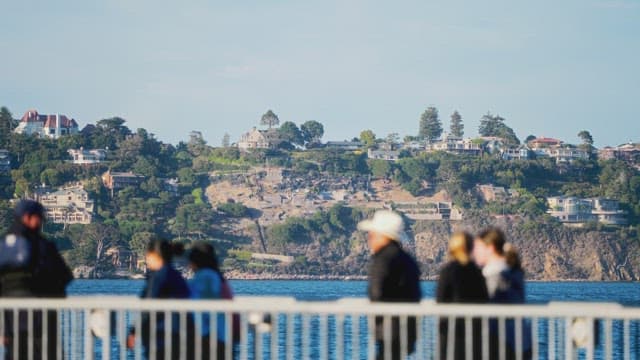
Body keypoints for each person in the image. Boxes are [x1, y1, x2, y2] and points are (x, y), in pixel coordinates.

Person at [0, 200, 73, 359]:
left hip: (12, 324)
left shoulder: (3, 246)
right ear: (27, 217)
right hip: (43, 319)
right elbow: (65, 276)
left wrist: (3, 329)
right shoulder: (42, 246)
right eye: (39, 218)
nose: (40, 222)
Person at [358, 210, 421, 360]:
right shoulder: (407, 259)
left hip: (389, 331)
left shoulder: (383, 258)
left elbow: (377, 292)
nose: (369, 237)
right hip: (406, 330)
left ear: (382, 235)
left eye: (372, 233)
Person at [127, 239, 193, 360]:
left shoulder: (159, 276)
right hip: (180, 335)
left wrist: (134, 331)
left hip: (161, 337)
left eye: (147, 255)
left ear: (154, 255)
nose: (147, 259)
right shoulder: (175, 275)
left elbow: (149, 305)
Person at [476, 228, 532, 360]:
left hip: (502, 344)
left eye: (479, 248)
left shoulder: (496, 275)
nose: (476, 252)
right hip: (520, 341)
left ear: (490, 248)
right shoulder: (513, 273)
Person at [436, 232, 488, 360]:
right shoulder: (477, 272)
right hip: (475, 331)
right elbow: (484, 298)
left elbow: (441, 299)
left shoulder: (448, 270)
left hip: (452, 331)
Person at [188, 241, 228, 360]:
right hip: (218, 335)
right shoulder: (218, 278)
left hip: (207, 335)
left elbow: (206, 301)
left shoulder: (205, 276)